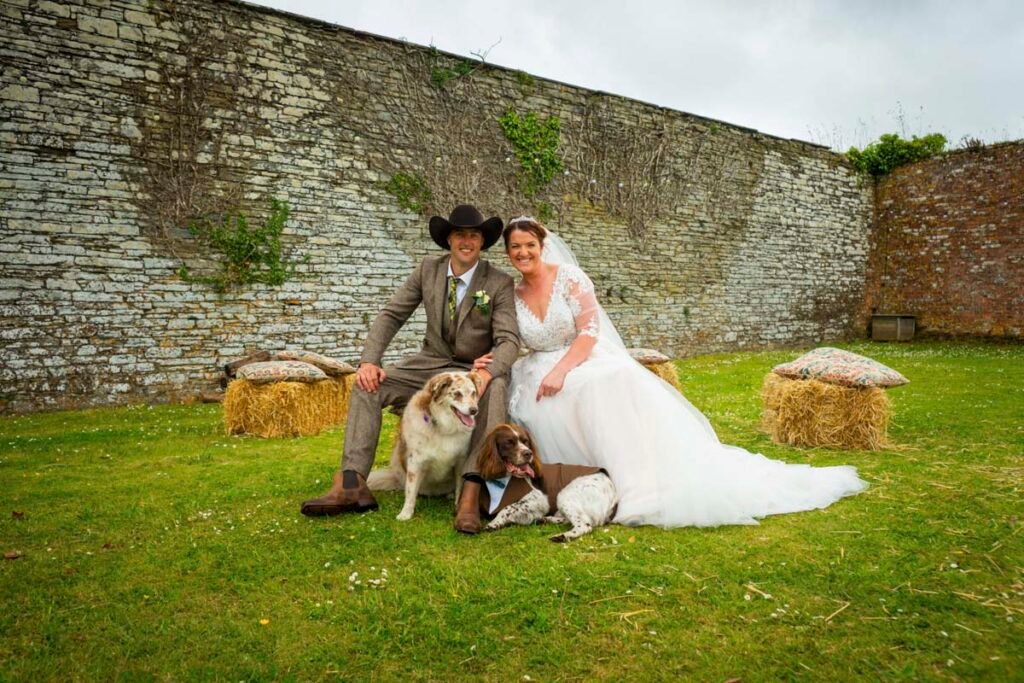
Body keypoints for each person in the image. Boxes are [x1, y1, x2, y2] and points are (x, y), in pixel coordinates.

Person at [496, 216, 867, 528]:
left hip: (579, 358)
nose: (523, 252)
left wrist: (562, 370)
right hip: (536, 365)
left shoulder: (571, 278)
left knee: (604, 383)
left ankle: (633, 484)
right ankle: (576, 483)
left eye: (529, 244)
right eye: (515, 247)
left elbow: (589, 332)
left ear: (542, 244)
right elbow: (510, 337)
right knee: (535, 404)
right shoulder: (511, 294)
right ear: (508, 253)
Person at [300, 205, 520, 534]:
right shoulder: (427, 270)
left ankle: (471, 494)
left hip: (473, 369)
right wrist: (369, 361)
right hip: (429, 362)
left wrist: (487, 374)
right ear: (448, 239)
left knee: (497, 386)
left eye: (474, 235)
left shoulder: (499, 282)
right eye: (460, 234)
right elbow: (391, 315)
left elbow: (509, 341)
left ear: (482, 242)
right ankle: (351, 483)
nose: (466, 241)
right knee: (367, 384)